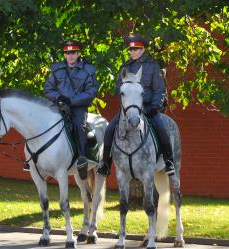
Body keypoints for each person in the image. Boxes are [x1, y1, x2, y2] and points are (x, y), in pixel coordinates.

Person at [96, 33, 175, 177]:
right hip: (128, 110)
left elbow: (159, 89)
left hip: (148, 107)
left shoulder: (152, 66)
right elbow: (118, 88)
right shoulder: (125, 67)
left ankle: (169, 161)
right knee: (109, 130)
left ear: (143, 49)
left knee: (161, 128)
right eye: (130, 50)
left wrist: (154, 107)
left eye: (135, 49)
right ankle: (106, 164)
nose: (132, 52)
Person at [42, 39, 98, 179]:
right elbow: (48, 89)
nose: (70, 56)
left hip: (78, 108)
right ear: (64, 54)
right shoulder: (56, 69)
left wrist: (72, 101)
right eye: (67, 53)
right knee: (43, 125)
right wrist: (59, 98)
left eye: (73, 52)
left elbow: (91, 92)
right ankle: (38, 159)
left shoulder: (88, 70)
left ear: (78, 53)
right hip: (59, 106)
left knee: (80, 127)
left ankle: (82, 160)